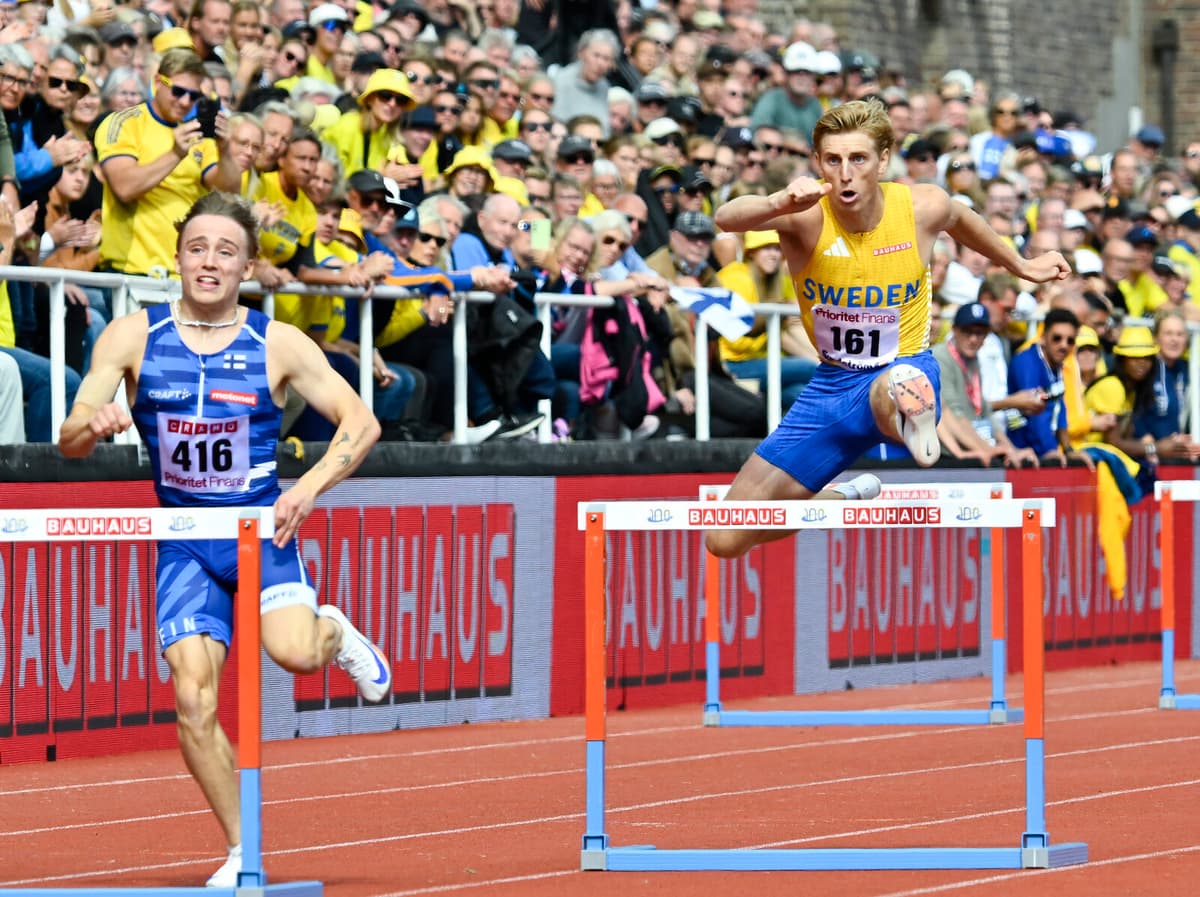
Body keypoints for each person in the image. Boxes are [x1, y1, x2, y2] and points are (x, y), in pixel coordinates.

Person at [57, 192, 391, 888]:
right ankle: (245, 849)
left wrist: (305, 490)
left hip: (261, 529)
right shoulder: (131, 336)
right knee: (193, 701)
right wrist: (96, 423)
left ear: (247, 266)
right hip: (184, 539)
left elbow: (360, 423)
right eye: (198, 247)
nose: (209, 262)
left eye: (226, 251)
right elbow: (68, 440)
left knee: (296, 653)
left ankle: (332, 631)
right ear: (177, 256)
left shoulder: (277, 342)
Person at [705, 100, 1070, 558]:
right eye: (833, 160)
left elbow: (961, 220)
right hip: (831, 387)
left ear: (883, 160)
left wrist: (1021, 264)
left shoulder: (921, 206)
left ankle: (909, 413)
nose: (845, 174)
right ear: (818, 163)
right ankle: (843, 496)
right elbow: (726, 217)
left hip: (906, 367)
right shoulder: (805, 213)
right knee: (724, 537)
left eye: (858, 159)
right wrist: (778, 201)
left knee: (892, 384)